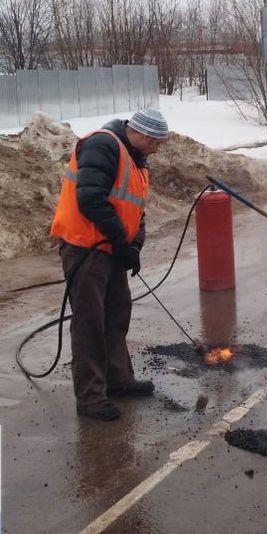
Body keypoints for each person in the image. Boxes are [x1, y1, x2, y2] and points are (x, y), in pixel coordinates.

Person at [50, 109, 169, 421]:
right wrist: (121, 243)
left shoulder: (137, 160)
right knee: (90, 323)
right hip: (86, 249)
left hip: (112, 250)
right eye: (156, 143)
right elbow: (90, 199)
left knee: (117, 315)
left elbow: (136, 210)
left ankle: (119, 380)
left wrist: (135, 246)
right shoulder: (102, 145)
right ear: (142, 135)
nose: (157, 149)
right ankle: (90, 398)